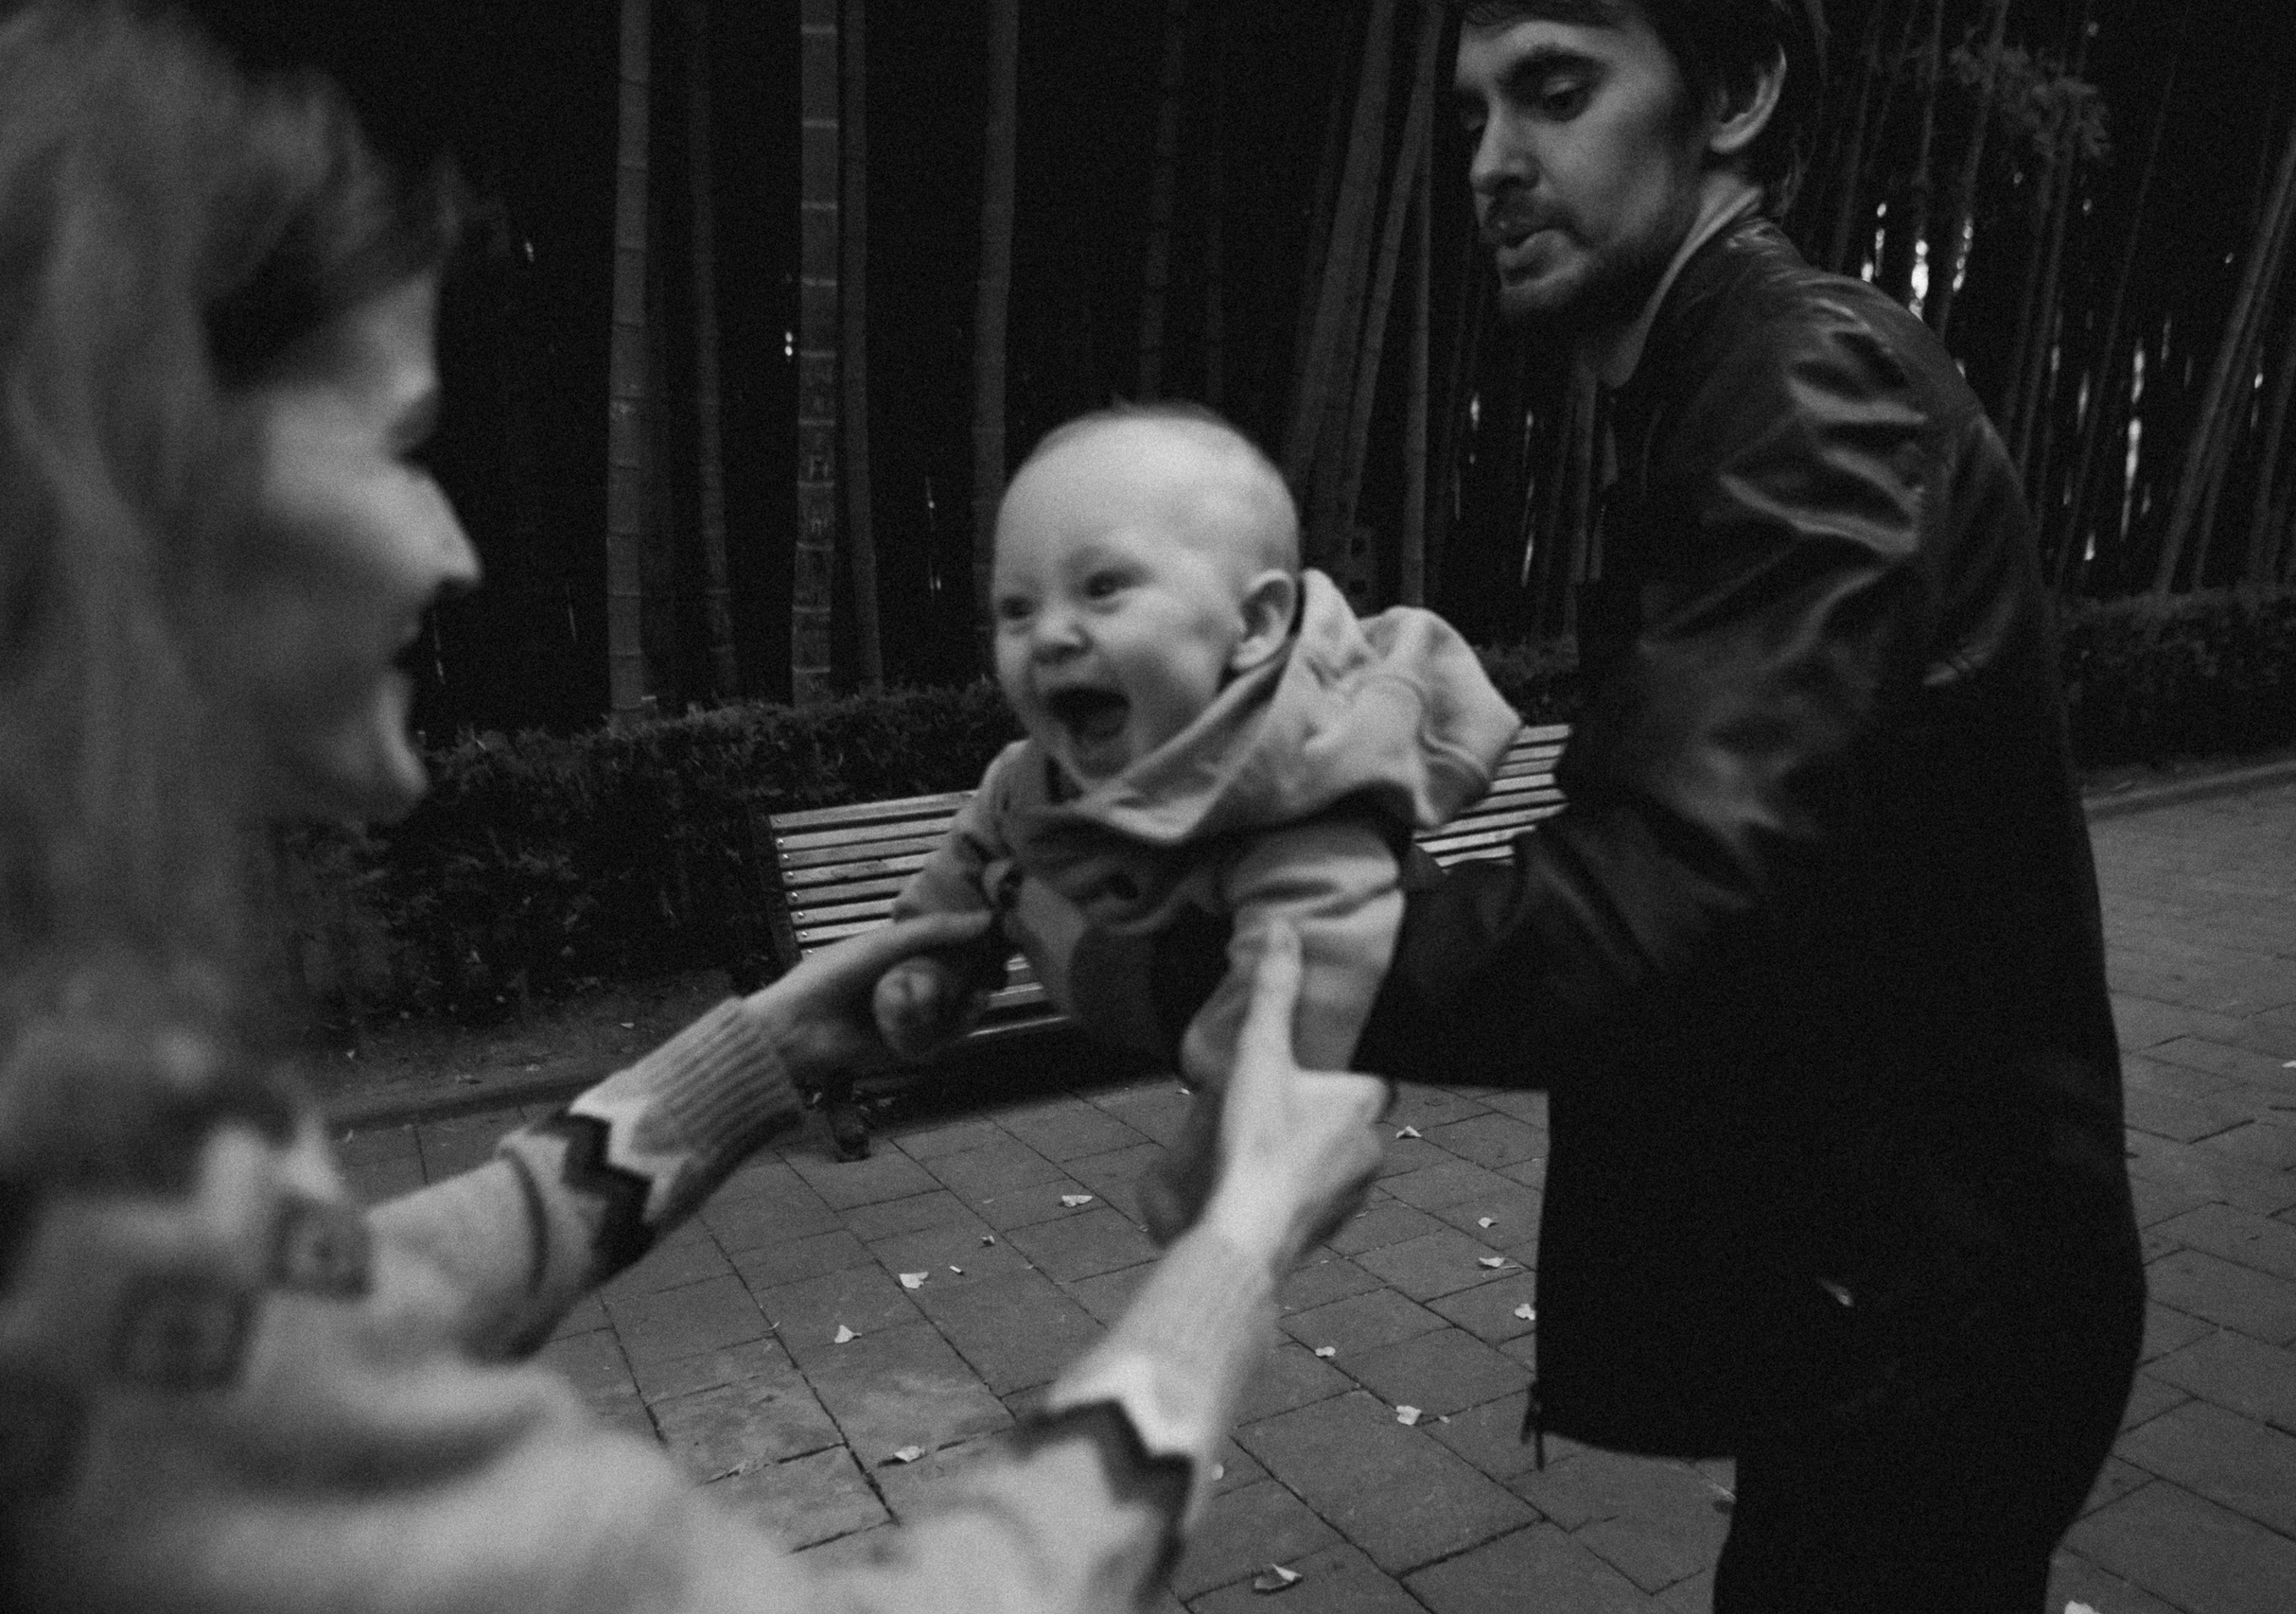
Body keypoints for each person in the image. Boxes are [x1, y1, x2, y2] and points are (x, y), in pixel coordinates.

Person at [0, 6, 1389, 1610]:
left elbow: (326, 1313)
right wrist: (1236, 1246)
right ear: (138, 477)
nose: (453, 551)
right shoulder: (83, 1154)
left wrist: (760, 1056)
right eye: (400, 447)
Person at [1347, 2, 2147, 1607]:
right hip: (1902, 1290)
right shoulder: (1720, 385)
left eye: (1557, 92)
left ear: (1735, 92)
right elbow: (1764, 826)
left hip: (1942, 1319)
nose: (1496, 165)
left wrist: (1234, 962)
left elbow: (1669, 897)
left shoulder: (1802, 382)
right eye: (1474, 118)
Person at [869, 404, 1520, 1236]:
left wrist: (1214, 1181)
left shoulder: (1299, 799)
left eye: (1103, 588)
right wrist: (933, 964)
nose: (1051, 635)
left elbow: (1294, 1000)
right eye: (1016, 608)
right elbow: (982, 841)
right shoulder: (1036, 777)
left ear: (1250, 625)